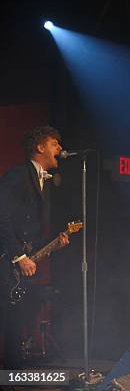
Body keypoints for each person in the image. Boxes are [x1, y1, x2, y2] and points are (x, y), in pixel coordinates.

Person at [0, 126, 70, 369]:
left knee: (15, 321)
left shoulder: (41, 180)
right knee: (10, 322)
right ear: (40, 147)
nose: (60, 148)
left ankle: (13, 373)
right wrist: (18, 256)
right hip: (6, 260)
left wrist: (54, 245)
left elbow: (27, 232)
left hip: (16, 265)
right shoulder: (19, 176)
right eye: (54, 144)